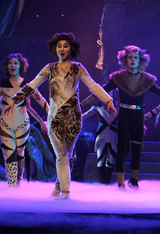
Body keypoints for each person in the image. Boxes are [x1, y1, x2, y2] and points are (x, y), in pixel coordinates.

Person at [12, 33, 116, 199]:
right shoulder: (49, 68)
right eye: (59, 46)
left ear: (71, 49)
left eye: (65, 46)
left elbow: (93, 86)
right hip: (55, 117)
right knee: (62, 156)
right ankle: (65, 192)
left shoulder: (78, 68)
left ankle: (58, 187)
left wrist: (108, 99)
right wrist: (15, 99)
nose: (61, 49)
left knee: (68, 155)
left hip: (73, 117)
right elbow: (31, 86)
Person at [87, 45, 160, 189]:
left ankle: (134, 179)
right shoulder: (119, 77)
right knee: (122, 148)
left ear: (140, 60)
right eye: (130, 57)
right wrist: (82, 103)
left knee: (137, 148)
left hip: (138, 116)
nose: (133, 60)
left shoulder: (146, 79)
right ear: (125, 60)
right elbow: (101, 91)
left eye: (136, 58)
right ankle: (120, 181)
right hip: (124, 114)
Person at [0, 54, 49, 187]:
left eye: (15, 63)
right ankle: (12, 183)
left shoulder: (27, 85)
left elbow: (41, 101)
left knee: (20, 153)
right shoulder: (2, 85)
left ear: (21, 66)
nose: (12, 65)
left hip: (22, 123)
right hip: (6, 124)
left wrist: (50, 117)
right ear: (6, 66)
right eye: (10, 63)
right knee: (9, 154)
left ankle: (18, 181)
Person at [82, 87, 119, 185]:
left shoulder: (118, 106)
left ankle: (107, 183)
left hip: (113, 136)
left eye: (112, 92)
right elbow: (85, 115)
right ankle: (101, 183)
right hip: (101, 135)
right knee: (100, 160)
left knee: (110, 160)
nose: (110, 93)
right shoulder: (98, 105)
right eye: (108, 91)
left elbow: (128, 117)